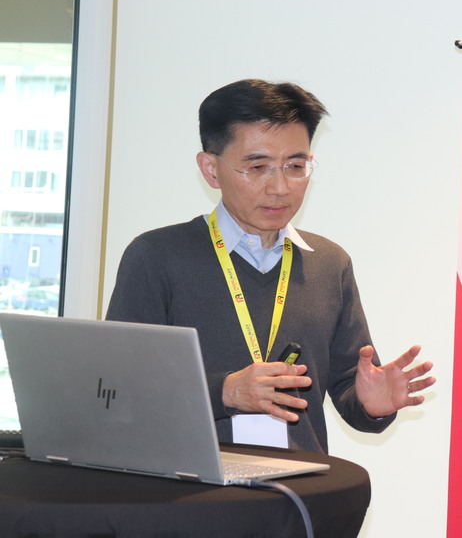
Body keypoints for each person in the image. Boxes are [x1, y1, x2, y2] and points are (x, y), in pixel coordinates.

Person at [106, 79, 434, 453]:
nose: (280, 187)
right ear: (211, 169)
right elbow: (119, 389)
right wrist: (224, 391)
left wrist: (371, 405)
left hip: (298, 483)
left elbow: (349, 387)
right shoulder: (157, 256)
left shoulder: (329, 264)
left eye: (295, 166)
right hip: (189, 483)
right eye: (258, 166)